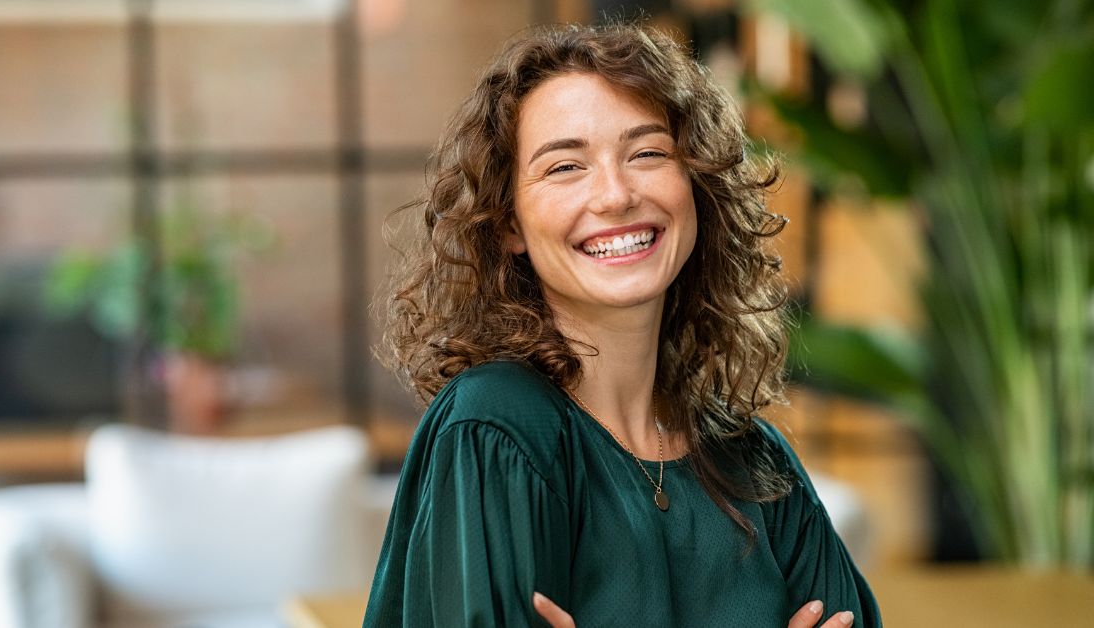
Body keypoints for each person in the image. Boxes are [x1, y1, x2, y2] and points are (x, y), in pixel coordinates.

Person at [363, 22, 881, 628]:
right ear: (508, 223)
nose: (614, 195)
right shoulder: (495, 428)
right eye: (564, 167)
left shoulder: (755, 461)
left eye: (647, 153)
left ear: (696, 186)